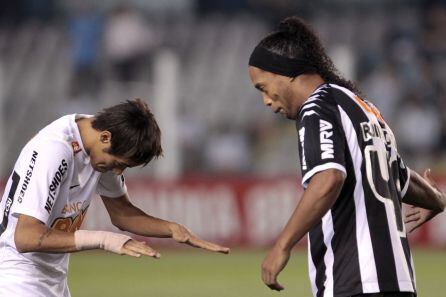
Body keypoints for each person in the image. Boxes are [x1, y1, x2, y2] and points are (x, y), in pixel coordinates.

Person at [247, 16, 445, 297]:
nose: (266, 100)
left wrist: (282, 245)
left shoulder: (316, 109)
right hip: (399, 283)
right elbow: (400, 176)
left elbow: (329, 177)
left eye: (263, 88)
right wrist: (436, 200)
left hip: (352, 281)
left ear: (285, 72)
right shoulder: (366, 109)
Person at [0, 98, 230, 297]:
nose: (118, 172)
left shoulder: (99, 142)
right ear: (106, 137)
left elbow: (122, 214)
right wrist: (104, 240)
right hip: (14, 277)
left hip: (51, 279)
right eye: (120, 164)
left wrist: (172, 229)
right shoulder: (55, 150)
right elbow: (26, 237)